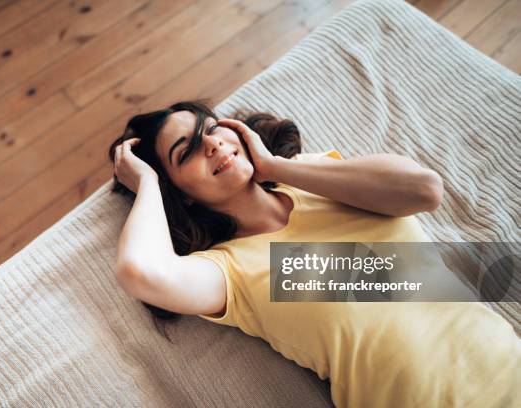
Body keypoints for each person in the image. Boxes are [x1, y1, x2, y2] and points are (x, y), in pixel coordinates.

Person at [108, 99, 519, 407]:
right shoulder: (229, 271)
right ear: (180, 194)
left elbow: (424, 190)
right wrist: (147, 183)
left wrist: (275, 168)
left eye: (212, 129)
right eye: (187, 151)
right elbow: (140, 272)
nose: (212, 145)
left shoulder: (316, 177)